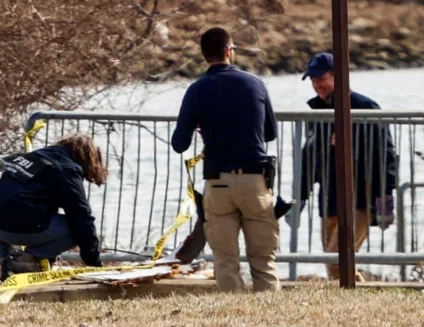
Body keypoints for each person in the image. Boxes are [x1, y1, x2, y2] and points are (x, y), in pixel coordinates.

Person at [170, 27, 280, 293]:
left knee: (225, 260)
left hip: (218, 182)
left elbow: (179, 144)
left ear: (204, 55)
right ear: (229, 51)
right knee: (264, 259)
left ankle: (235, 314)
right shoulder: (254, 83)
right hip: (255, 179)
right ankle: (271, 313)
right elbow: (270, 133)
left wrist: (201, 125)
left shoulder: (197, 90)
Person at [289, 52, 398, 282]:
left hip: (360, 197)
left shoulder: (365, 107)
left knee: (338, 259)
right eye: (313, 80)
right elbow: (311, 157)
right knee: (334, 268)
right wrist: (299, 196)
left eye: (321, 78)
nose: (317, 85)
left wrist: (385, 195)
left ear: (338, 76)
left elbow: (386, 154)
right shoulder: (316, 112)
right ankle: (355, 301)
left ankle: (361, 299)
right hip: (329, 198)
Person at [0, 134, 106, 281]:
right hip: (10, 226)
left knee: (9, 210)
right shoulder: (66, 169)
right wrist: (94, 262)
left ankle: (8, 260)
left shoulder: (33, 157)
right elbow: (82, 217)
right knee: (76, 229)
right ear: (87, 158)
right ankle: (26, 260)